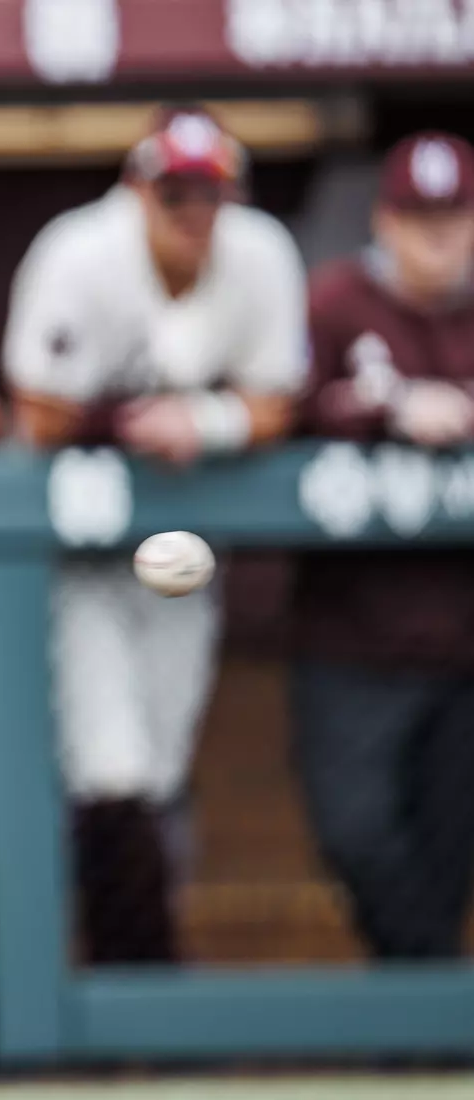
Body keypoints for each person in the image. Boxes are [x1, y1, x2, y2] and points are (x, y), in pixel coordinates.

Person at [3, 106, 306, 963]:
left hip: (185, 544)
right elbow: (35, 407)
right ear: (137, 190)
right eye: (173, 194)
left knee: (159, 770)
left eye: (207, 196)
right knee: (110, 767)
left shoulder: (260, 255)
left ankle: (127, 982)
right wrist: (128, 419)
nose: (192, 214)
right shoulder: (79, 252)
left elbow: (277, 400)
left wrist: (201, 420)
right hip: (76, 552)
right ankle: (125, 989)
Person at [296, 131, 474, 959]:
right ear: (384, 221)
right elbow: (281, 411)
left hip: (463, 646)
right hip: (353, 637)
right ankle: (422, 1009)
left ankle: (417, 1043)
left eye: (453, 215)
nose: (436, 235)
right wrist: (385, 412)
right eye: (417, 216)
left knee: (450, 852)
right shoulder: (333, 305)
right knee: (355, 831)